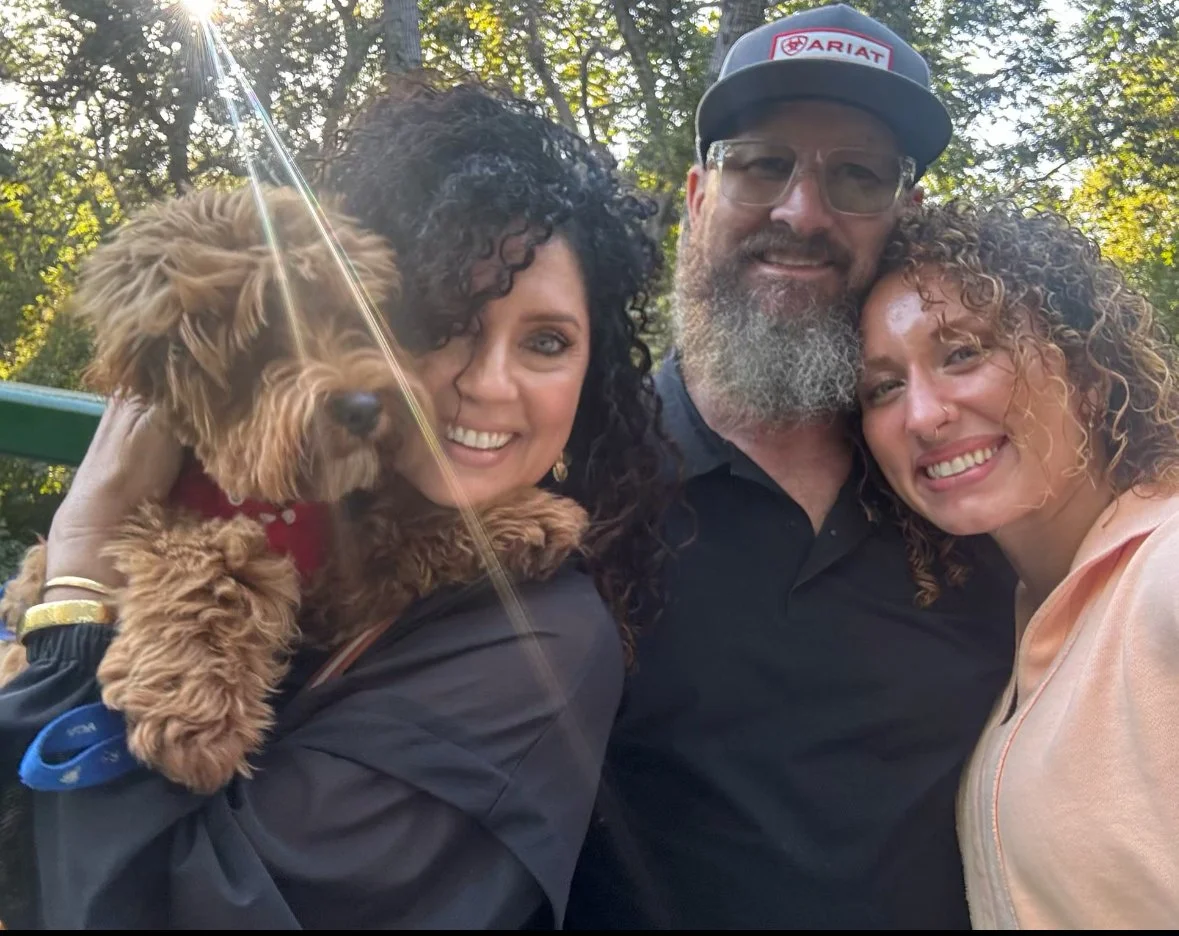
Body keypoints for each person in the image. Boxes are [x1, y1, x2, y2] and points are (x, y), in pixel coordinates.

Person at [0, 75, 673, 929]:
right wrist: (91, 558)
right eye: (440, 327)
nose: (484, 383)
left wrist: (81, 567)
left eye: (545, 342)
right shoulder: (247, 500)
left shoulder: (543, 643)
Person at [566, 4, 1017, 929]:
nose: (801, 212)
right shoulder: (566, 483)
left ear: (901, 217)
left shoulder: (971, 489)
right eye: (762, 163)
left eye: (855, 175)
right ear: (699, 195)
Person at [856, 198, 1179, 929]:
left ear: (1086, 365)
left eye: (962, 353)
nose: (922, 415)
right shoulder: (1014, 625)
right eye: (882, 387)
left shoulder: (1162, 573)